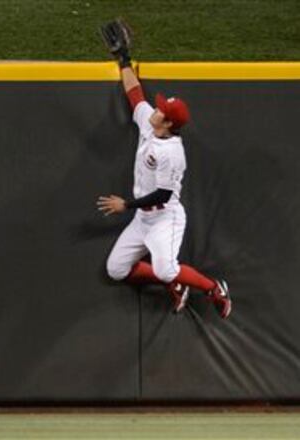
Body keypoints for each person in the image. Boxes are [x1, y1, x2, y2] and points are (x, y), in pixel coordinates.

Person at [97, 20, 232, 318]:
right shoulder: (151, 123)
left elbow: (161, 193)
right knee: (116, 268)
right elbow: (135, 95)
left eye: (162, 111)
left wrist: (126, 204)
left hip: (163, 218)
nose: (155, 110)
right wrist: (123, 58)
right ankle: (176, 284)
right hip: (142, 220)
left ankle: (213, 288)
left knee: (166, 267)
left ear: (169, 123)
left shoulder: (173, 153)